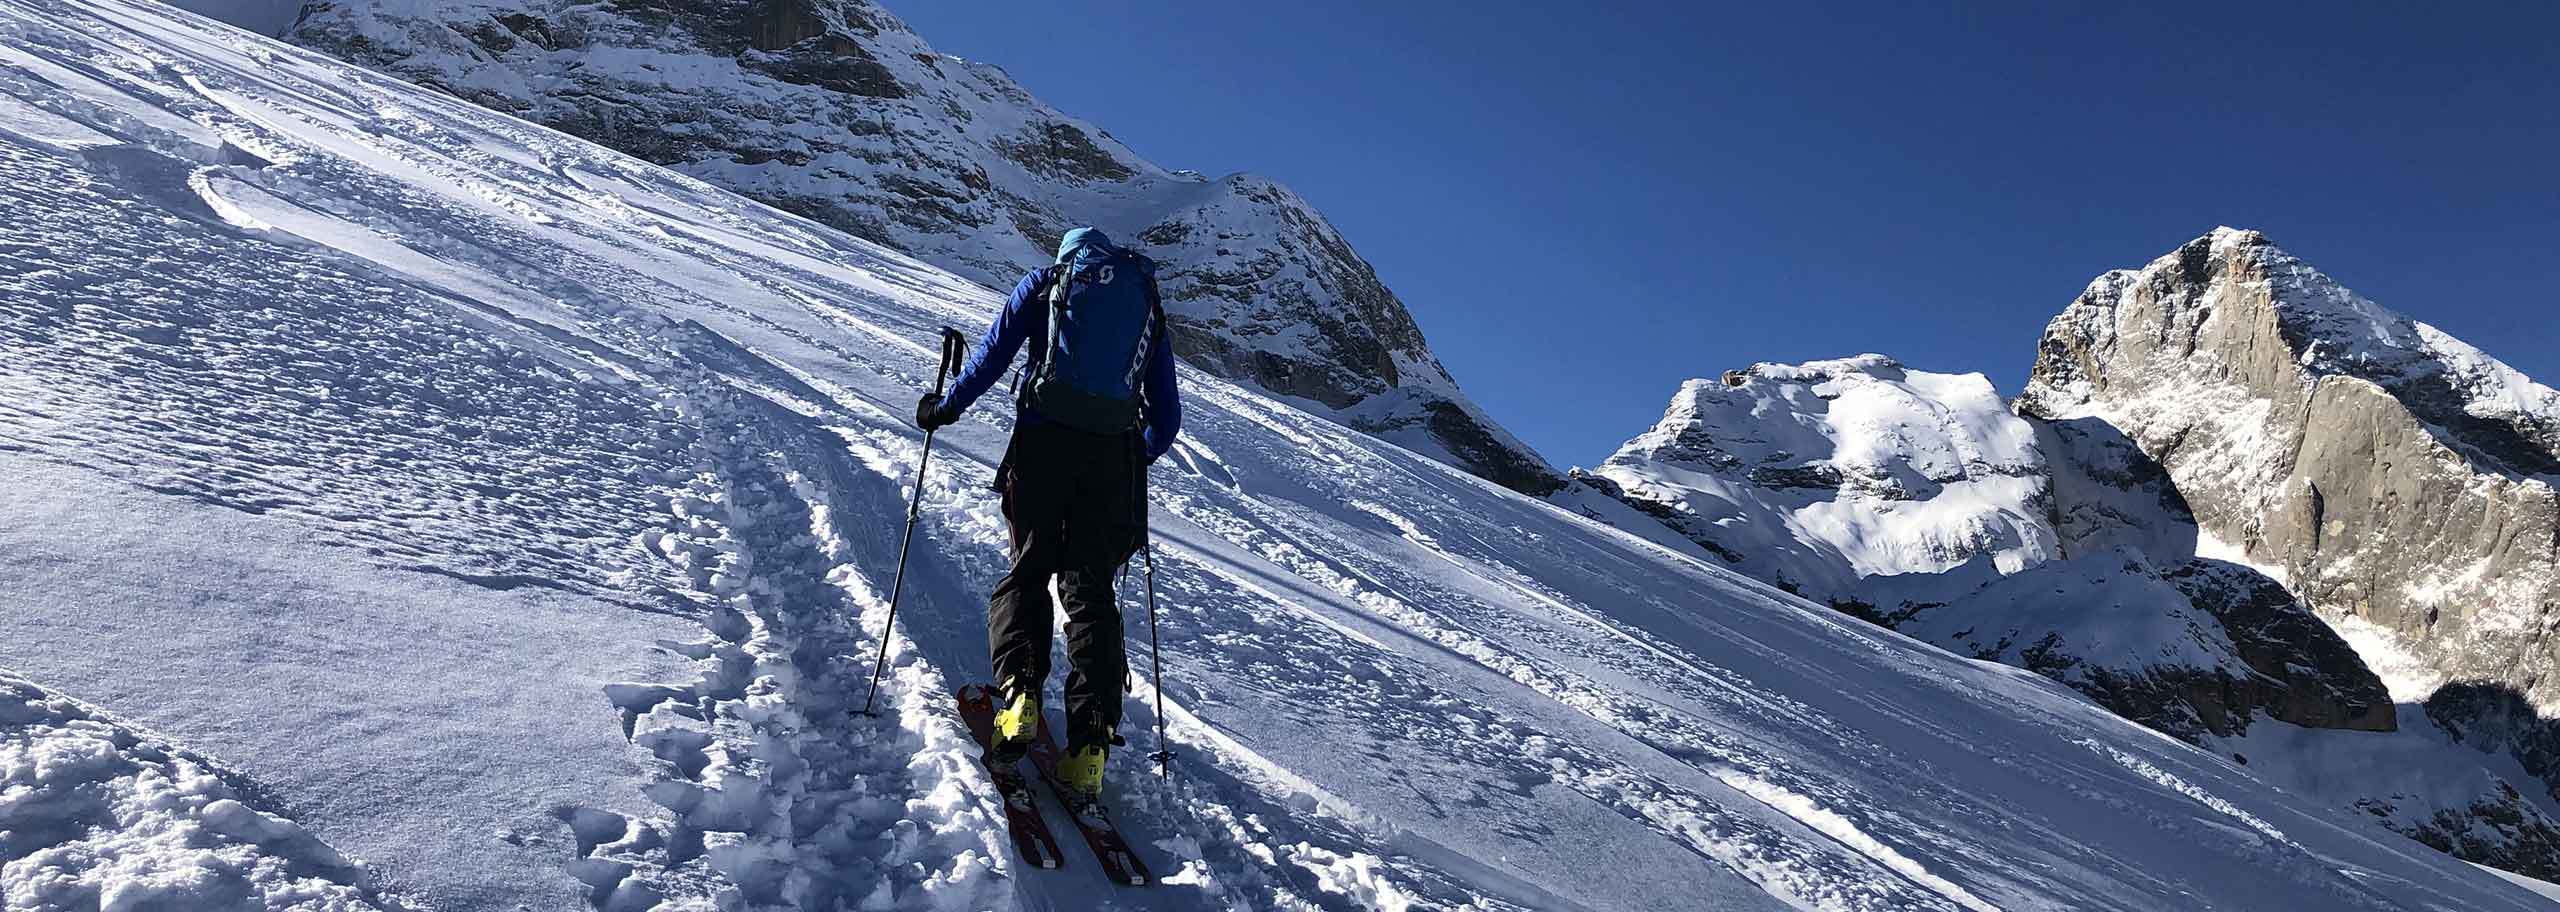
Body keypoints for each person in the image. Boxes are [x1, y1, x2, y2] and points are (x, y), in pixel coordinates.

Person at [914, 226, 1180, 799]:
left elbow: (989, 359)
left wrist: (944, 408)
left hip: (1041, 451)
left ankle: (1019, 698)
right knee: (1091, 594)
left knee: (1029, 571)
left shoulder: (1044, 286)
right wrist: (1133, 456)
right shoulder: (1145, 305)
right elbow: (1167, 417)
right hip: (1112, 466)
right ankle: (1090, 745)